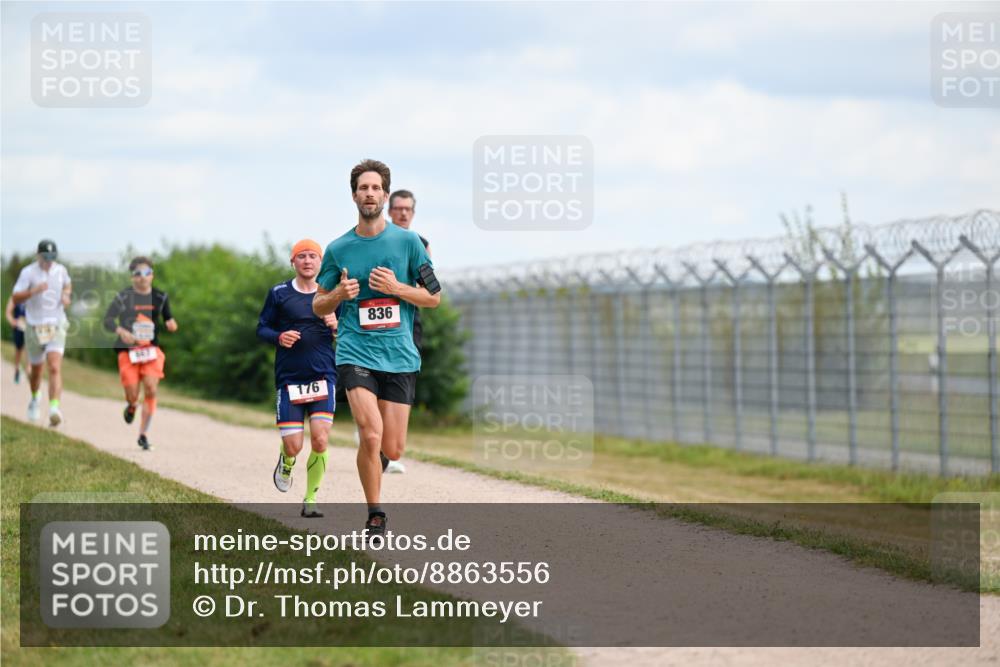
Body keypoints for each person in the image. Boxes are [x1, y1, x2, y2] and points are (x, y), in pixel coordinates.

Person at [314, 159, 441, 536]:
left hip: (399, 353)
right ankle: (375, 512)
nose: (369, 193)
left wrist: (396, 289)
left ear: (385, 195)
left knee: (393, 447)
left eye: (375, 188)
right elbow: (318, 304)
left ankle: (376, 462)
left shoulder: (409, 243)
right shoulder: (338, 249)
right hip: (356, 351)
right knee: (369, 434)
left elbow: (433, 297)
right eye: (362, 187)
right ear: (354, 195)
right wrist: (338, 293)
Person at [258, 239, 339, 518]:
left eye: (312, 256)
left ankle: (310, 499)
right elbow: (262, 328)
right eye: (301, 256)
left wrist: (337, 325)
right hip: (290, 379)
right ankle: (287, 460)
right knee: (295, 445)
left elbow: (349, 332)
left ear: (320, 262)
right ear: (293, 262)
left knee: (320, 440)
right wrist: (279, 336)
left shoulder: (331, 296)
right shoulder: (279, 293)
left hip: (323, 376)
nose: (307, 261)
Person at [381, 189, 433, 474]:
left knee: (403, 378)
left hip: (408, 322)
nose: (402, 213)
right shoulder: (376, 240)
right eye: (398, 208)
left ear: (413, 213)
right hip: (374, 322)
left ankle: (388, 446)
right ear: (389, 211)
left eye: (407, 209)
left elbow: (430, 289)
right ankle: (374, 432)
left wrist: (399, 289)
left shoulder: (421, 244)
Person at [103, 257, 178, 451]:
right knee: (132, 394)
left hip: (151, 351)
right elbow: (108, 321)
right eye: (138, 274)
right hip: (128, 353)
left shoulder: (161, 297)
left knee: (151, 389)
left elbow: (169, 319)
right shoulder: (123, 297)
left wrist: (171, 324)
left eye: (146, 273)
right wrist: (121, 332)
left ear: (152, 275)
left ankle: (143, 434)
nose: (142, 278)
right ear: (132, 277)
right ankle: (131, 406)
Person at [12, 239, 72, 426]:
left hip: (56, 324)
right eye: (45, 257)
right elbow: (15, 297)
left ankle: (54, 408)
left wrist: (66, 295)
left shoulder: (60, 270)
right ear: (38, 255)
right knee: (37, 372)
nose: (48, 261)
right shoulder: (28, 272)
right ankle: (35, 397)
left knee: (54, 366)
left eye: (52, 257)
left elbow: (68, 285)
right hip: (34, 326)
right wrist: (33, 291)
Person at [5, 296, 27, 383]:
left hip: (29, 328)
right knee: (18, 350)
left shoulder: (33, 296)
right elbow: (8, 312)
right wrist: (12, 321)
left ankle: (28, 370)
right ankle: (17, 370)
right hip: (18, 327)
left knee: (29, 350)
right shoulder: (16, 297)